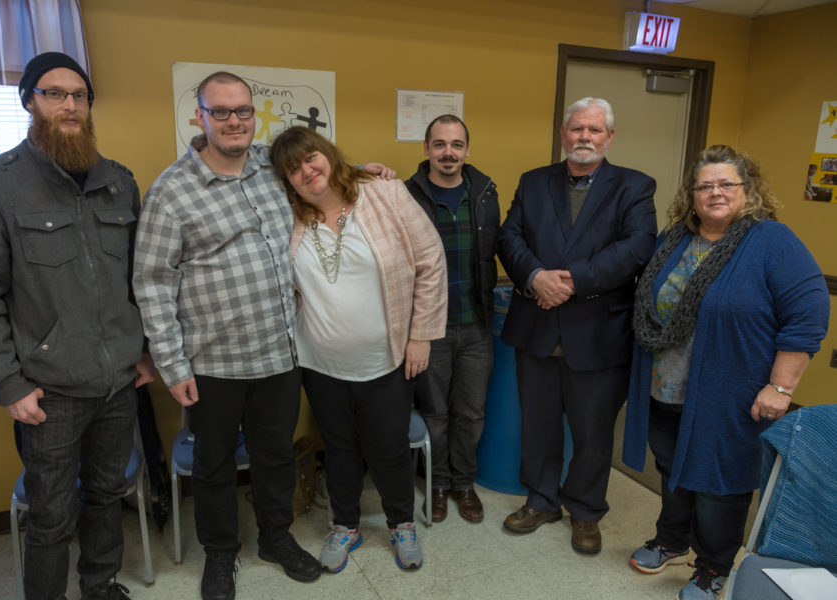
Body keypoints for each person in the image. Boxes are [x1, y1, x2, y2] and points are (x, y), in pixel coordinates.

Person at [132, 72, 391, 600]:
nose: (234, 121)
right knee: (214, 465)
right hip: (212, 361)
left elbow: (319, 177)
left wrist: (367, 172)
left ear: (255, 116)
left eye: (243, 111)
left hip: (279, 352)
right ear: (198, 117)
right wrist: (173, 364)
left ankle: (275, 539)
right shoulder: (171, 191)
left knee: (274, 457)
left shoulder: (272, 170)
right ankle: (220, 556)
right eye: (221, 111)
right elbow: (153, 283)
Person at [0, 52, 153, 600]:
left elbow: (139, 281)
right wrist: (8, 386)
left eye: (79, 95)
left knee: (108, 495)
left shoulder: (118, 182)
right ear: (29, 102)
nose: (69, 104)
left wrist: (144, 351)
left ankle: (100, 582)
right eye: (54, 93)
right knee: (51, 513)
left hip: (118, 382)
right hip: (49, 390)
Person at [622, 145, 829, 600]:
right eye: (704, 186)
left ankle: (713, 566)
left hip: (728, 392)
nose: (714, 193)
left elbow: (808, 313)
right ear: (692, 195)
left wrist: (781, 385)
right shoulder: (674, 239)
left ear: (747, 190)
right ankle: (672, 539)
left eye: (726, 184)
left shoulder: (771, 241)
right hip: (664, 385)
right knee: (672, 468)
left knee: (720, 482)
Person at [269, 126, 447, 573]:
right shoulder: (286, 217)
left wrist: (420, 334)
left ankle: (401, 523)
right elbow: (237, 156)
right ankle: (344, 525)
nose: (306, 171)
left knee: (388, 448)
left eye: (311, 158)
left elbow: (430, 261)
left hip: (384, 359)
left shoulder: (383, 193)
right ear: (284, 180)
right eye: (293, 168)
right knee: (340, 448)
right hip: (319, 362)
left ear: (328, 154)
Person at [496, 97, 657, 554]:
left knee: (592, 433)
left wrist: (571, 280)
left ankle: (585, 511)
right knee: (539, 425)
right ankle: (542, 500)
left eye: (594, 130)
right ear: (563, 133)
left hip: (598, 333)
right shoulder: (533, 182)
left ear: (609, 137)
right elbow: (509, 236)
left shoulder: (635, 187)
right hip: (538, 327)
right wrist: (534, 276)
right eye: (576, 129)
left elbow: (637, 247)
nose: (584, 137)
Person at [404, 114, 499, 523]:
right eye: (439, 144)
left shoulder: (484, 192)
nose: (448, 152)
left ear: (467, 150)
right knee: (435, 413)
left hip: (476, 324)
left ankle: (464, 484)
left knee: (471, 413)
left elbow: (504, 244)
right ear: (426, 149)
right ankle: (437, 484)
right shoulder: (405, 194)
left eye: (456, 144)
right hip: (429, 329)